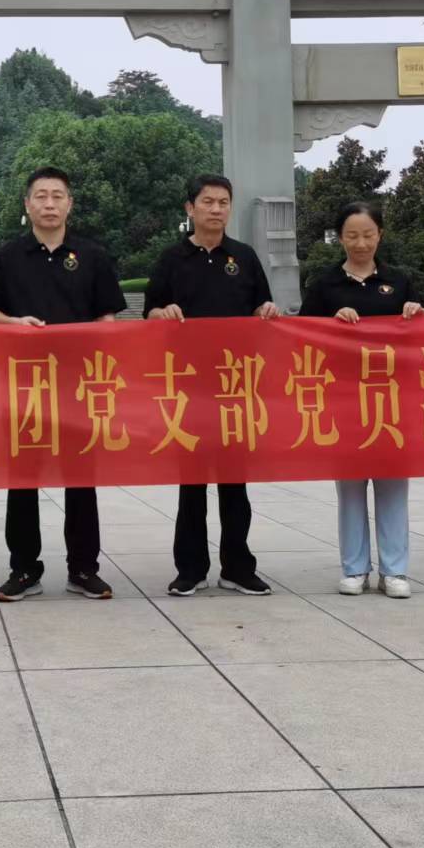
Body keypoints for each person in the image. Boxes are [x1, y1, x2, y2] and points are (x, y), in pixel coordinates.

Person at [0, 166, 126, 602]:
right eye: (40, 196)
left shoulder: (92, 255)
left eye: (57, 196)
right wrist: (15, 324)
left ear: (69, 204)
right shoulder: (9, 256)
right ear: (27, 204)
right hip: (23, 385)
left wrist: (97, 342)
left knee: (81, 479)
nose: (49, 204)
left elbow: (107, 317)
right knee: (23, 480)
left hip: (78, 386)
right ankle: (24, 569)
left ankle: (83, 568)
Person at [143, 174, 281, 596]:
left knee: (234, 482)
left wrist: (267, 310)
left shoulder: (244, 256)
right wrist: (162, 313)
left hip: (235, 385)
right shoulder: (172, 259)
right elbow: (149, 313)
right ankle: (190, 569)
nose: (216, 209)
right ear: (190, 208)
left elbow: (261, 307)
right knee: (192, 483)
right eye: (207, 202)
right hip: (188, 386)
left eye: (223, 202)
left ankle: (237, 567)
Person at [299, 201, 424, 599]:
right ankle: (354, 569)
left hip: (392, 399)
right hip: (346, 400)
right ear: (340, 238)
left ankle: (395, 570)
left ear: (380, 235)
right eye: (352, 236)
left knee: (392, 488)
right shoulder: (324, 285)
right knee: (351, 490)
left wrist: (416, 312)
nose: (361, 243)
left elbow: (423, 337)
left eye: (368, 235)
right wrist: (331, 322)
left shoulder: (399, 281)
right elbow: (303, 335)